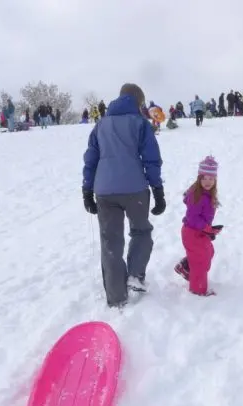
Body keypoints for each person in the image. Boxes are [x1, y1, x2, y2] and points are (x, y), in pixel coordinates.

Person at [82, 83, 166, 308]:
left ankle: (117, 297)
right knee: (141, 231)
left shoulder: (101, 125)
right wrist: (158, 189)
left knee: (111, 242)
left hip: (104, 191)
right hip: (134, 189)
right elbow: (151, 159)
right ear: (139, 102)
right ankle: (135, 275)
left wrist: (87, 190)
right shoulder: (140, 123)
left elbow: (91, 160)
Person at [174, 156, 222, 296]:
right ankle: (198, 290)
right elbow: (192, 217)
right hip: (192, 232)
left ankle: (185, 267)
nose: (208, 182)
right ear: (199, 179)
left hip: (199, 231)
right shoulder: (198, 196)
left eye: (211, 179)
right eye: (204, 179)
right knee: (200, 262)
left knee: (208, 253)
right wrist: (207, 229)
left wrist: (209, 230)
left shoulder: (207, 194)